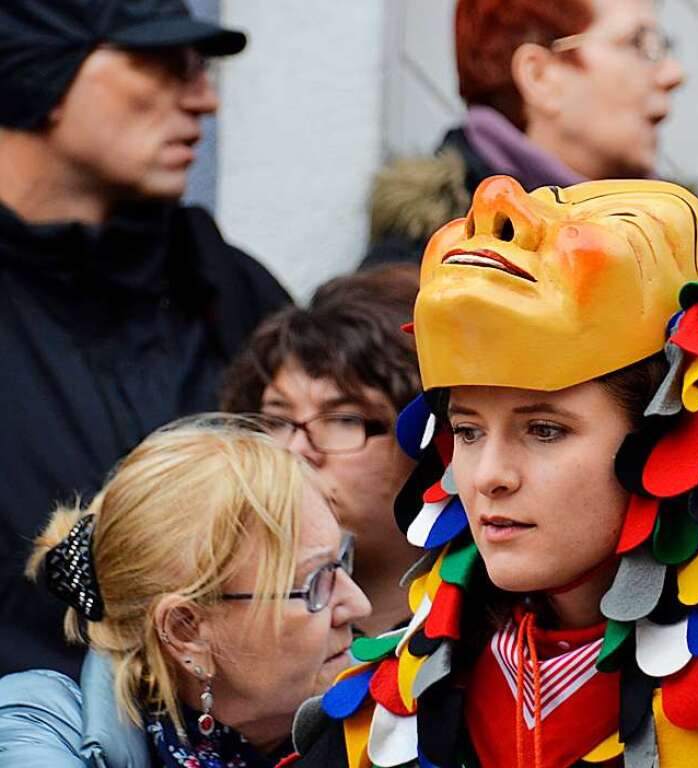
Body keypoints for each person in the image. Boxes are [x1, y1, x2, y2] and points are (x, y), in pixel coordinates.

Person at [287, 81, 698, 768]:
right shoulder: (388, 716)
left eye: (544, 430)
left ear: (676, 438)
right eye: (466, 430)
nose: (488, 477)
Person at [0, 0, 291, 678]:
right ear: (42, 71)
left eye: (199, 66)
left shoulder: (221, 283)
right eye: (162, 64)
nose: (203, 99)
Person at [0, 416, 371, 767]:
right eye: (315, 583)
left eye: (342, 560)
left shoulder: (395, 718)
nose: (359, 605)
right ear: (185, 631)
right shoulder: (38, 727)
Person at [362, 0, 685, 268]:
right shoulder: (419, 291)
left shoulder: (691, 252)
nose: (675, 74)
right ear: (539, 76)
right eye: (641, 44)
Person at [221, 266, 421, 635]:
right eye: (277, 420)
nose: (295, 449)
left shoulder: (510, 653)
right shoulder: (215, 632)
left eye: (344, 419)